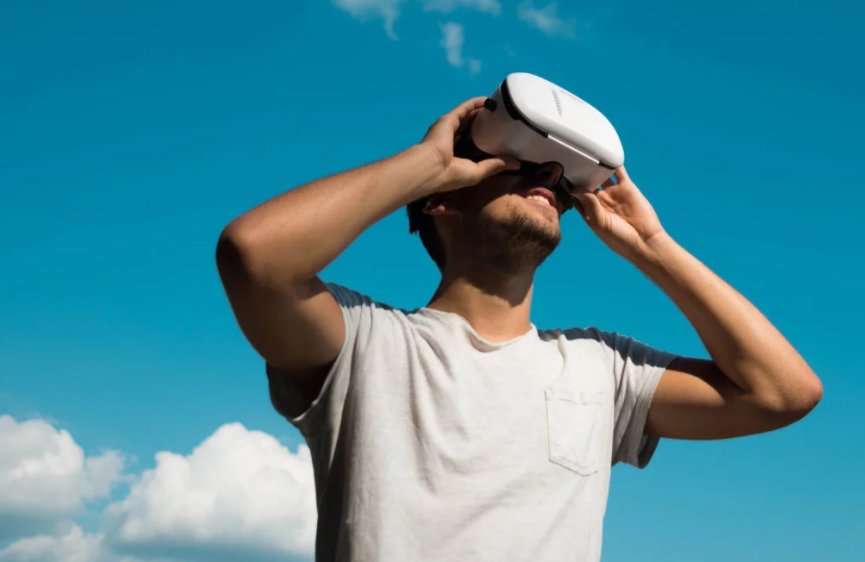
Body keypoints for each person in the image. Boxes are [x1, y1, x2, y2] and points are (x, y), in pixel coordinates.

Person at [215, 97, 823, 562]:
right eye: (521, 163)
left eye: (559, 178)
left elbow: (783, 393)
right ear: (441, 198)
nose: (550, 178)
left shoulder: (603, 368)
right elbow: (254, 255)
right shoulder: (364, 342)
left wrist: (652, 246)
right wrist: (426, 163)